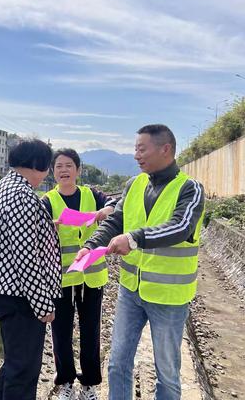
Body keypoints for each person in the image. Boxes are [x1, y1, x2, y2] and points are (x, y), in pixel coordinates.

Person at [76, 124, 205, 400]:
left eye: (141, 149)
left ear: (165, 149)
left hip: (168, 297)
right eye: (135, 149)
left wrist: (133, 239)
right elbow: (114, 220)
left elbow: (180, 227)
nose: (136, 155)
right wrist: (90, 245)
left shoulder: (190, 189)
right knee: (117, 363)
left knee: (167, 374)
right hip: (130, 291)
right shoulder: (134, 185)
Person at [0, 139, 62, 400]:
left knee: (14, 364)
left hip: (8, 292)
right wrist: (43, 305)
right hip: (20, 296)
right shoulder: (22, 197)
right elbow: (26, 258)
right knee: (24, 369)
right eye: (48, 166)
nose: (48, 173)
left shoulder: (7, 185)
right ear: (38, 165)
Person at [41, 149, 116, 400]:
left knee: (90, 330)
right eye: (59, 166)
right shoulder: (47, 201)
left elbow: (113, 205)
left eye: (69, 165)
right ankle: (65, 382)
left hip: (91, 277)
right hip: (61, 279)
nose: (64, 170)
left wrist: (107, 211)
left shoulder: (92, 195)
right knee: (60, 332)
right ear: (53, 172)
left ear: (78, 170)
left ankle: (89, 384)